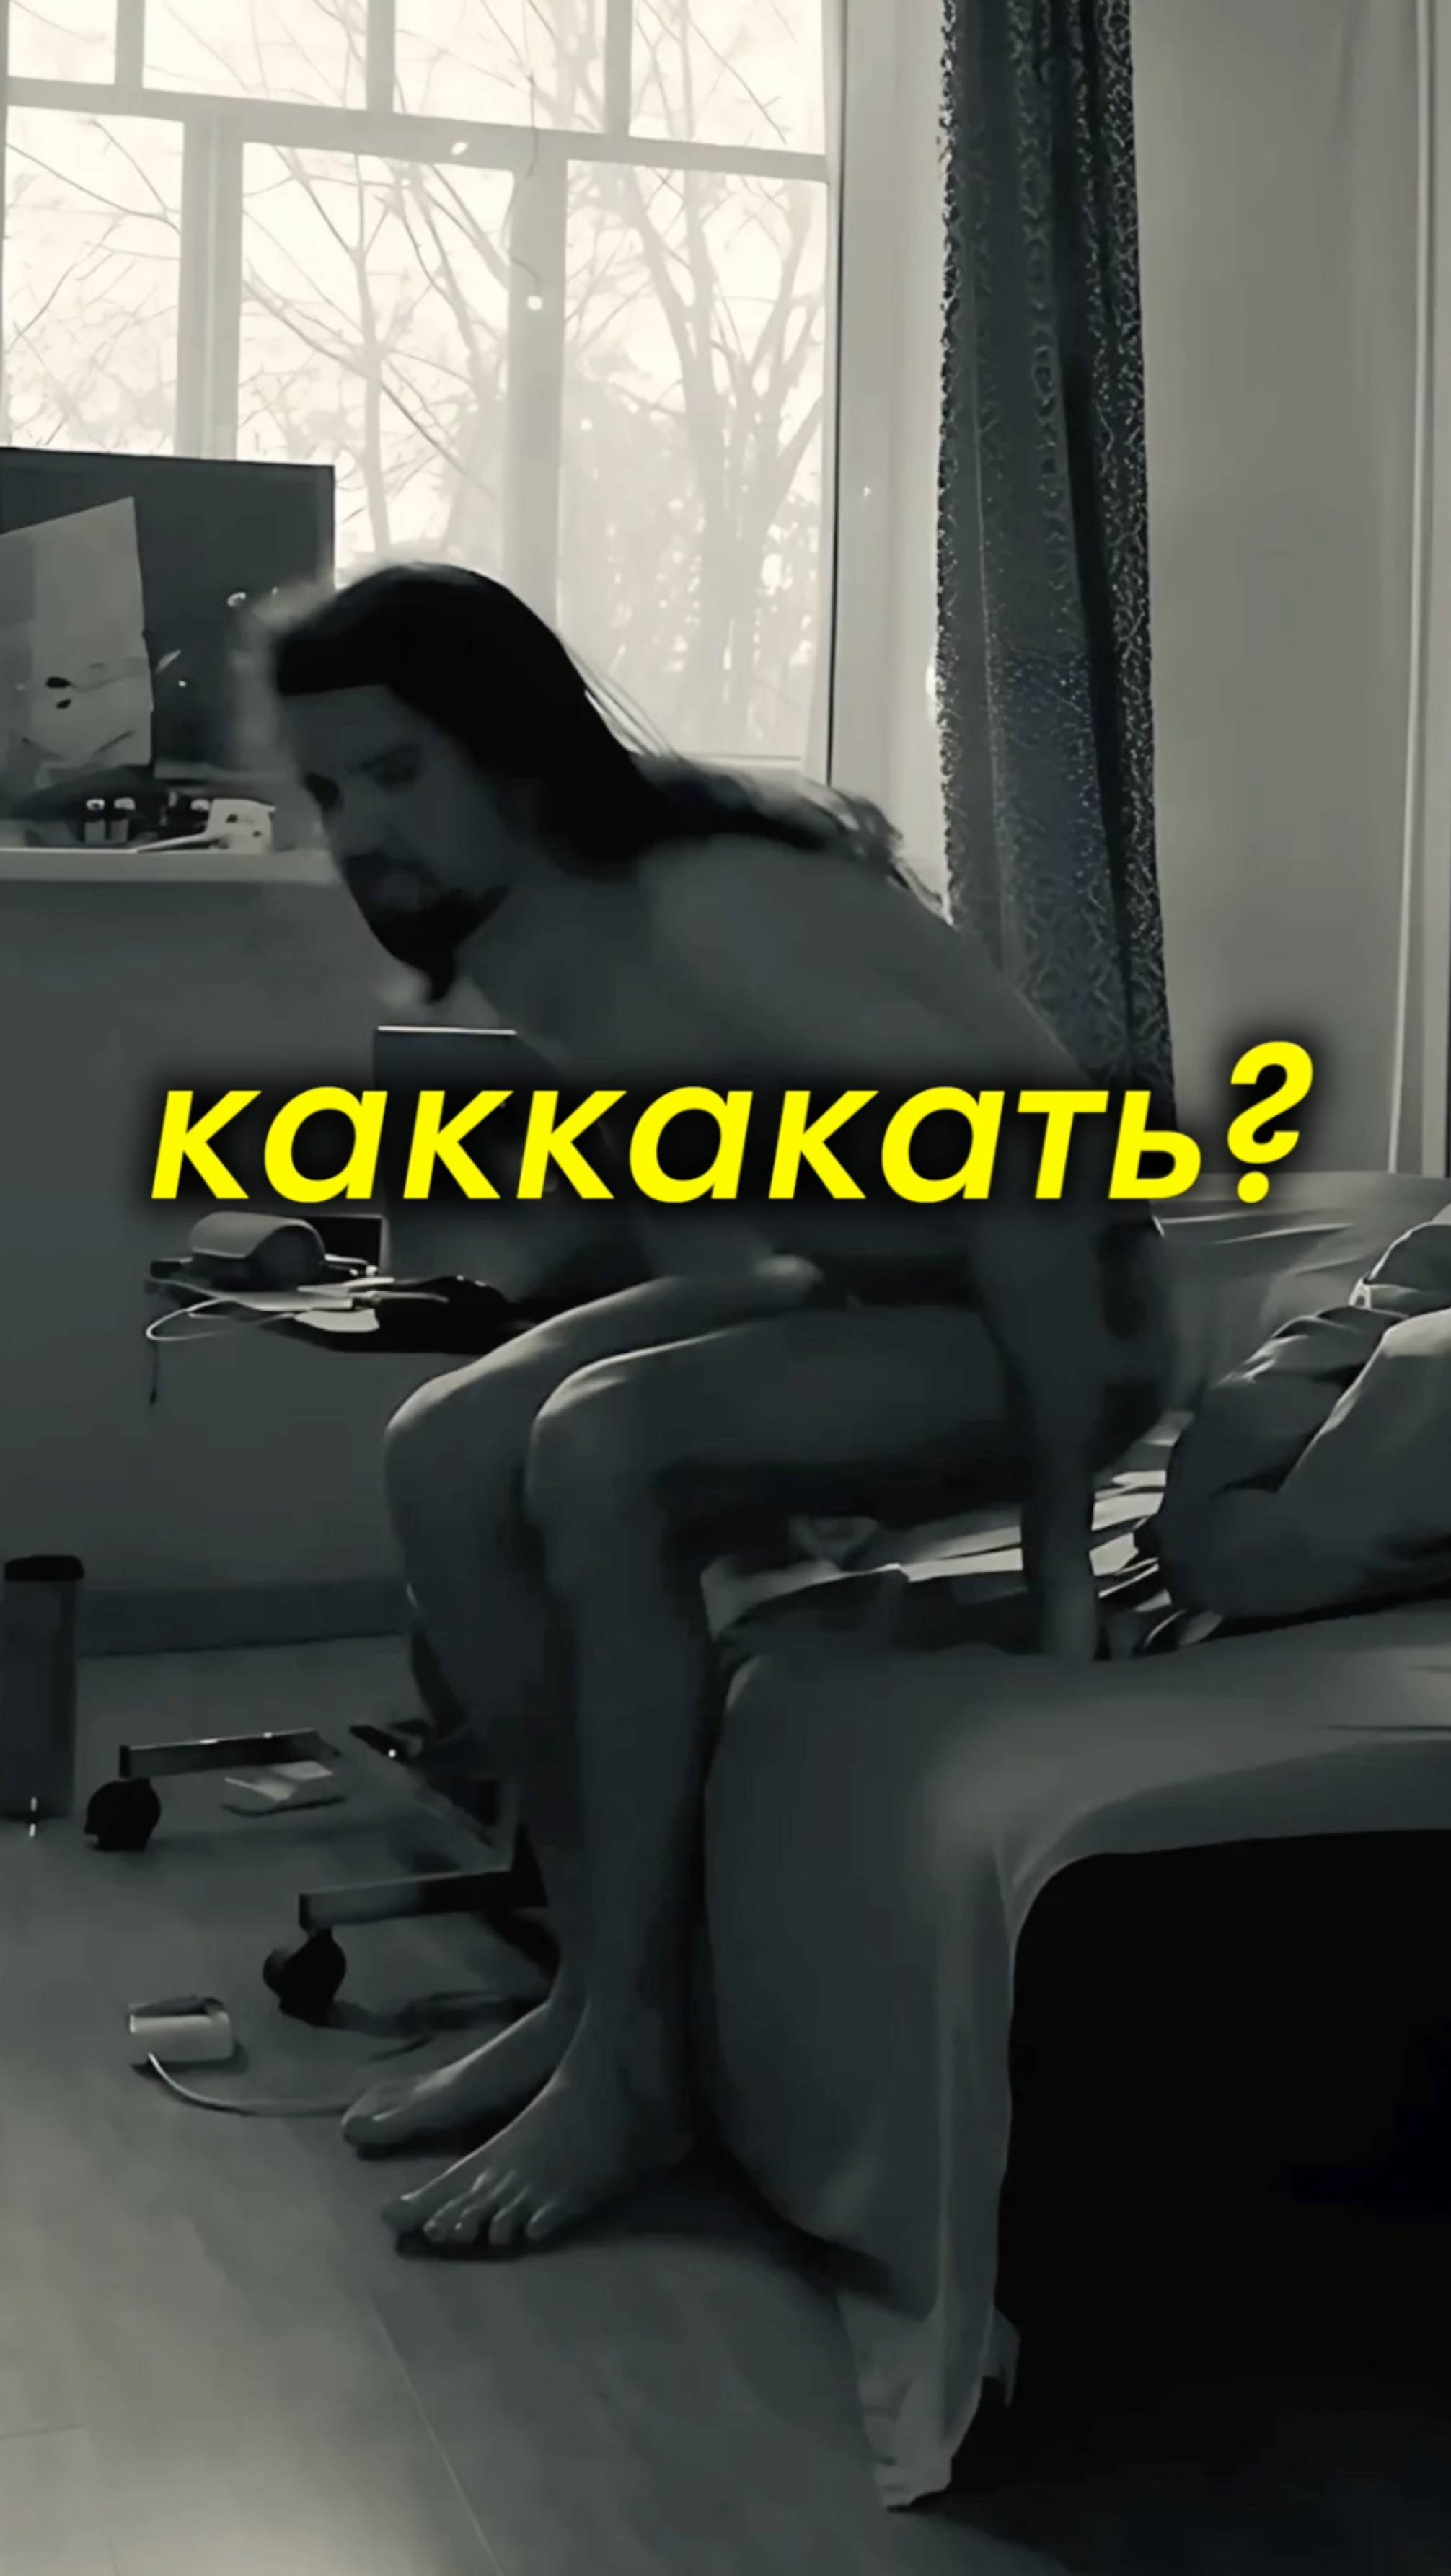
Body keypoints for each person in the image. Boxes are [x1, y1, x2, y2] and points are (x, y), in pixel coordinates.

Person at [264, 563, 1171, 2254]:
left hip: (1065, 1317)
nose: (361, 830)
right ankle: (594, 1992)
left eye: (395, 771)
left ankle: (631, 2060)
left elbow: (1041, 1181)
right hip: (874, 1286)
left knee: (603, 1441)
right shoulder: (538, 929)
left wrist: (1060, 1567)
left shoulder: (706, 902)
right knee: (444, 1442)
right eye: (331, 790)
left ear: (509, 748)